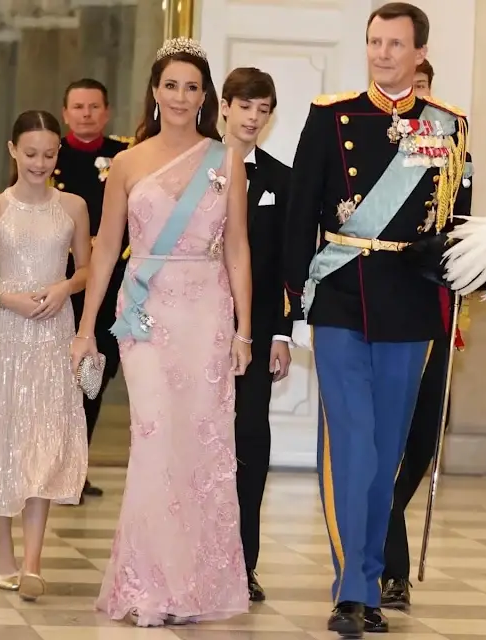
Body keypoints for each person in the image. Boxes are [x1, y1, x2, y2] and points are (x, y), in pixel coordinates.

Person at [283, 3, 470, 636]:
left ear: (420, 52)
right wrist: (294, 301)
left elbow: (457, 222)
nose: (382, 53)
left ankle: (368, 577)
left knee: (387, 452)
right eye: (374, 42)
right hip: (340, 295)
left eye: (395, 44)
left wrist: (460, 261)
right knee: (354, 448)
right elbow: (299, 213)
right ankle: (352, 590)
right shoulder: (329, 115)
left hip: (410, 303)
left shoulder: (448, 126)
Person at [71, 37, 252, 627]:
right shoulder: (126, 161)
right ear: (155, 91)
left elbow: (238, 249)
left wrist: (246, 328)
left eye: (192, 87)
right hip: (145, 312)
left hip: (206, 311)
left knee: (199, 444)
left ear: (207, 97)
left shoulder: (225, 160)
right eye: (170, 85)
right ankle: (147, 582)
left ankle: (195, 583)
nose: (180, 96)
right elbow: (103, 251)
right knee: (153, 438)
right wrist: (85, 329)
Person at [0, 110, 91, 602]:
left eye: (50, 154)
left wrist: (64, 286)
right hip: (7, 336)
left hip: (55, 336)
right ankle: (3, 551)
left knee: (45, 442)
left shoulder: (73, 206)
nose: (40, 162)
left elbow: (87, 270)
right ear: (13, 150)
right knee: (7, 441)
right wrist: (3, 297)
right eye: (31, 153)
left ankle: (33, 562)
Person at [382, 57, 473, 610]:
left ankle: (383, 516)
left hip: (435, 313)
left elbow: (463, 220)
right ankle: (391, 566)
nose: (415, 96)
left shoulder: (452, 148)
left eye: (423, 88)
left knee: (422, 442)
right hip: (383, 311)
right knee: (383, 445)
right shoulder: (372, 149)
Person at [220, 67, 292, 602]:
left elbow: (290, 263)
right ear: (224, 106)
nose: (253, 118)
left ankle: (243, 563)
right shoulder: (196, 165)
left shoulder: (280, 179)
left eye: (263, 109)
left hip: (259, 327)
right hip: (196, 326)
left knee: (250, 445)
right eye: (245, 106)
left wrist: (282, 333)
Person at [53, 78, 133, 501]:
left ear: (106, 112)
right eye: (77, 107)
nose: (85, 114)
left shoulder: (124, 155)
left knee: (93, 379)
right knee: (54, 381)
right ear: (65, 113)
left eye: (93, 107)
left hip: (111, 287)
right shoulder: (50, 156)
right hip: (61, 284)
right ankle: (48, 469)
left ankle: (76, 471)